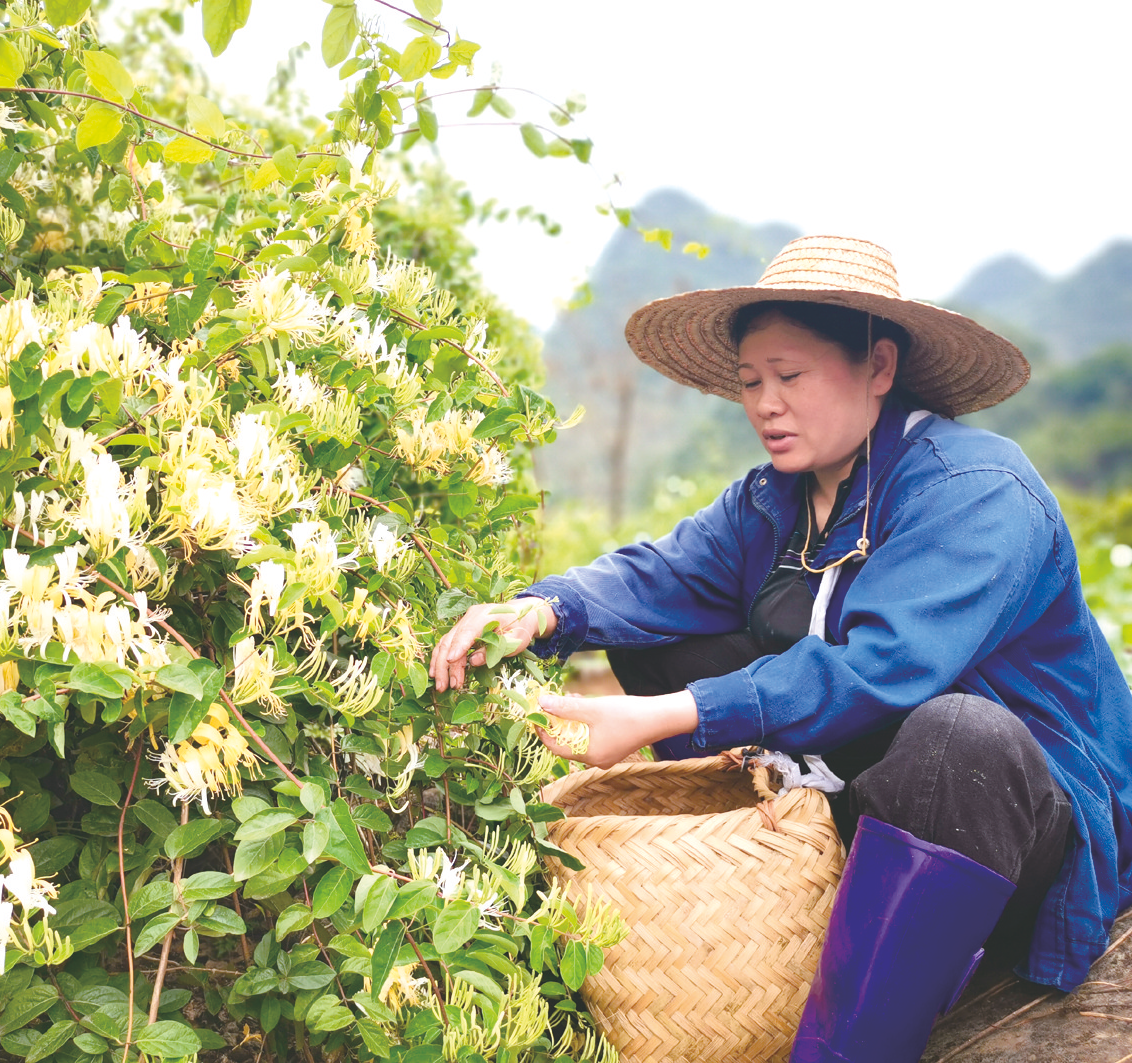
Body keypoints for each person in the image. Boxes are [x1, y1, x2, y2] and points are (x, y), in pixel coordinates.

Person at [429, 236, 1132, 1063]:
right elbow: (661, 574)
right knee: (664, 631)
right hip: (866, 777)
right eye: (750, 382)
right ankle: (795, 884)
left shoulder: (976, 490)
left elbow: (884, 669)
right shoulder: (772, 501)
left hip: (1015, 819)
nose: (765, 403)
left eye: (789, 376)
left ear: (877, 365)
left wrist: (666, 713)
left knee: (958, 737)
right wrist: (541, 610)